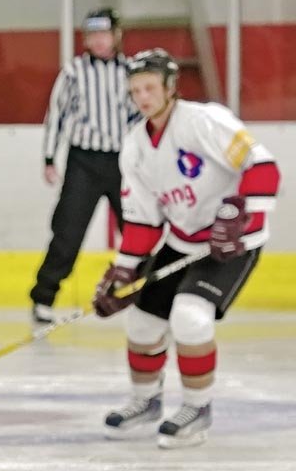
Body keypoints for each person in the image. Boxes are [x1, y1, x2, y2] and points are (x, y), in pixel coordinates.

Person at [94, 48, 281, 449]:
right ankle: (145, 402)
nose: (143, 97)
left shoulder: (203, 121)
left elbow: (263, 167)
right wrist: (125, 269)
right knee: (142, 323)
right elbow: (144, 221)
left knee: (190, 317)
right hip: (183, 242)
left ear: (169, 87)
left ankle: (197, 409)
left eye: (149, 88)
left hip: (231, 244)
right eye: (135, 91)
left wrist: (240, 216)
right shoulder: (135, 147)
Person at [30, 7, 138, 324]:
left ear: (116, 35)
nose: (98, 41)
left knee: (138, 229)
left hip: (123, 162)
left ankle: (149, 293)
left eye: (104, 34)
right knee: (67, 232)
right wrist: (49, 158)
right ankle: (43, 297)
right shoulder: (74, 71)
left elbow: (142, 117)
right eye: (92, 35)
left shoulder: (132, 70)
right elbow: (57, 116)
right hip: (84, 162)